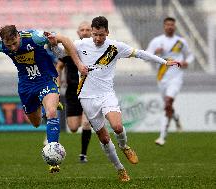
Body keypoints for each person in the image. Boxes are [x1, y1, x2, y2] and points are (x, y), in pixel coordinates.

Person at [49, 16, 180, 182]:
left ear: (107, 33)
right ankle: (120, 169)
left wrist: (164, 62)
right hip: (87, 97)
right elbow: (60, 53)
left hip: (106, 94)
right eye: (95, 34)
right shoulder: (81, 45)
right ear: (92, 32)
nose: (97, 38)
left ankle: (124, 146)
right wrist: (53, 44)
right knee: (104, 138)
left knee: (117, 126)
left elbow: (139, 53)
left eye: (101, 35)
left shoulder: (115, 47)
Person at [0, 25, 88, 173]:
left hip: (46, 80)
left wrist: (78, 63)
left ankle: (53, 158)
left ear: (18, 36)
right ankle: (46, 102)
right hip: (26, 86)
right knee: (36, 123)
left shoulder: (34, 37)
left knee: (52, 112)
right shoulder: (1, 45)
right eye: (9, 45)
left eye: (14, 43)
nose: (13, 48)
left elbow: (64, 39)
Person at [146, 17, 194, 146]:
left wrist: (186, 62)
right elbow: (146, 56)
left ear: (175, 26)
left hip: (176, 78)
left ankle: (162, 136)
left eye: (172, 25)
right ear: (164, 26)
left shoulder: (180, 41)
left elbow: (190, 55)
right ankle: (176, 118)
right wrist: (155, 53)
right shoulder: (157, 41)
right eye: (167, 24)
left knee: (168, 102)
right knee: (168, 105)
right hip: (162, 78)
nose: (170, 27)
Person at [56, 21, 92, 163]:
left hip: (89, 90)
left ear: (92, 32)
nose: (84, 32)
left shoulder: (96, 49)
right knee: (72, 127)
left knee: (86, 123)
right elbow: (59, 66)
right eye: (82, 30)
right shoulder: (71, 48)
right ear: (78, 32)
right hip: (72, 91)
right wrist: (58, 85)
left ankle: (83, 155)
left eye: (87, 29)